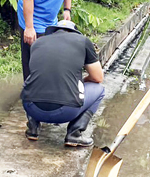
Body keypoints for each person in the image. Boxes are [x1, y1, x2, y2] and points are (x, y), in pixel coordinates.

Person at [22, 19, 105, 147]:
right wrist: (82, 83)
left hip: (32, 108)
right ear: (74, 32)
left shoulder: (37, 43)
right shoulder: (83, 42)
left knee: (32, 82)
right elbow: (98, 77)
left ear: (53, 32)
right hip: (66, 112)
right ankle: (74, 134)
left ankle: (33, 128)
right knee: (99, 89)